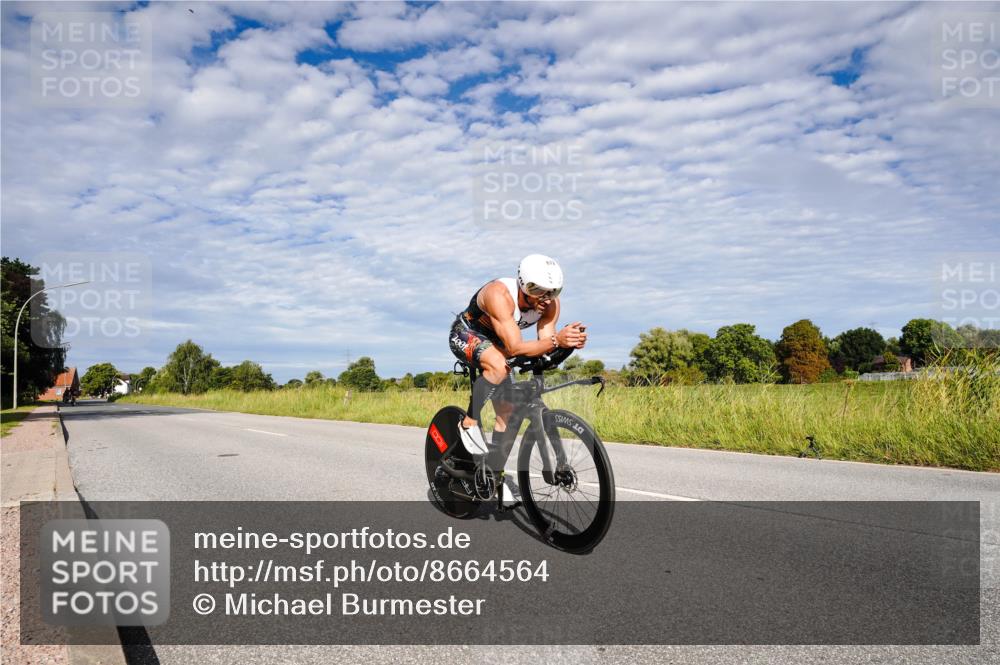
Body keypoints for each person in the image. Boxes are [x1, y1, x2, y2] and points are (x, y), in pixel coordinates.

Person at [449, 254, 587, 504]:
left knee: (507, 411)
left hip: (499, 342)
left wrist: (568, 345)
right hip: (467, 334)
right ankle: (468, 422)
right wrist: (557, 340)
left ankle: (493, 476)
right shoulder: (499, 295)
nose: (545, 299)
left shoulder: (550, 306)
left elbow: (544, 346)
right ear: (523, 285)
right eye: (538, 291)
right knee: (500, 367)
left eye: (553, 292)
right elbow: (515, 348)